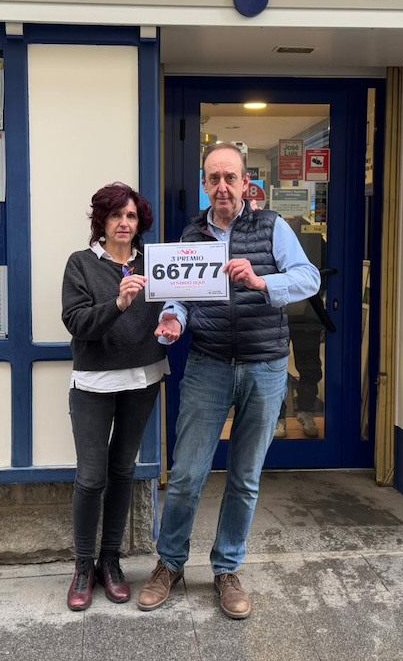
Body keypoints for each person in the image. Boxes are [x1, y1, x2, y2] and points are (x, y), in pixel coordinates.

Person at [138, 143, 319, 619]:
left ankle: (226, 569)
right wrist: (173, 319)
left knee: (244, 478)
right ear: (205, 183)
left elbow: (309, 278)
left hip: (264, 366)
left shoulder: (273, 227)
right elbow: (179, 295)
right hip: (209, 364)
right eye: (213, 178)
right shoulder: (191, 235)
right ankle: (170, 564)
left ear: (245, 182)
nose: (222, 186)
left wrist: (263, 282)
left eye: (229, 178)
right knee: (187, 475)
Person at [61, 182, 168, 612]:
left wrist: (173, 324)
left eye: (131, 216)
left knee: (123, 469)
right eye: (115, 216)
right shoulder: (82, 264)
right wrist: (119, 304)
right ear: (101, 222)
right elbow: (76, 322)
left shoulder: (154, 263)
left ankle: (111, 561)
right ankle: (83, 566)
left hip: (143, 377)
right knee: (91, 476)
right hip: (95, 383)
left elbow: (172, 308)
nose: (124, 223)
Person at [275, 216, 328, 439]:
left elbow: (324, 273)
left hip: (308, 315)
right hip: (277, 314)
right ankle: (278, 417)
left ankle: (305, 411)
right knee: (275, 368)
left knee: (309, 367)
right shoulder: (271, 232)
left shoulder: (313, 236)